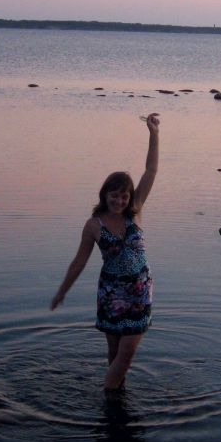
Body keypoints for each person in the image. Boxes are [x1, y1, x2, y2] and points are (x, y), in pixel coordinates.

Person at [50, 113, 159, 391]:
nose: (119, 200)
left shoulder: (135, 211)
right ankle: (115, 411)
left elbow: (151, 171)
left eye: (124, 195)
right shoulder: (93, 225)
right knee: (114, 356)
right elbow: (79, 261)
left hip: (139, 292)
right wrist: (63, 290)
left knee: (125, 356)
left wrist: (153, 134)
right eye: (114, 195)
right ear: (104, 195)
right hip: (111, 293)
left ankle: (106, 400)